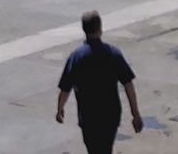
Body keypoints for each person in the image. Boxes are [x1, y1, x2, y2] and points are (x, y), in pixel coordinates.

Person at [57, 10, 143, 154]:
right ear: (100, 28)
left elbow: (65, 88)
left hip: (88, 116)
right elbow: (128, 84)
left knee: (94, 149)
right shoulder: (113, 54)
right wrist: (135, 113)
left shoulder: (77, 57)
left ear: (83, 29)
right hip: (110, 115)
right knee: (105, 148)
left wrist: (60, 109)